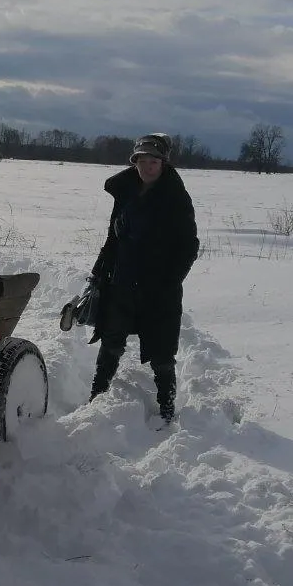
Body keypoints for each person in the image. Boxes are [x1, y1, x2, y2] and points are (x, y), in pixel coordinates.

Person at [88, 133, 200, 423]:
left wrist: (171, 280)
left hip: (159, 288)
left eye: (154, 161)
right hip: (122, 281)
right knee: (111, 340)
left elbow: (189, 246)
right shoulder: (125, 191)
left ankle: (166, 406)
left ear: (163, 163)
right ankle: (97, 395)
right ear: (134, 162)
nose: (148, 167)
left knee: (162, 350)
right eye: (142, 161)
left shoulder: (175, 197)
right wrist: (99, 271)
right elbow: (113, 238)